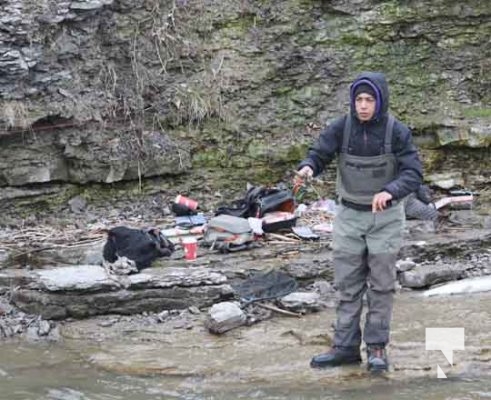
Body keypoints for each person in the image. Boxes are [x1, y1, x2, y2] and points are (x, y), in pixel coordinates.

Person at [297, 71, 423, 372]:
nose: (363, 106)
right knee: (347, 285)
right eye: (359, 100)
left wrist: (390, 191)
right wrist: (308, 167)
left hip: (386, 219)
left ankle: (377, 349)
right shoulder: (341, 128)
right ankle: (345, 348)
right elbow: (319, 153)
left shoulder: (397, 132)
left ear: (380, 102)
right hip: (349, 217)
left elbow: (413, 173)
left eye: (369, 100)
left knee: (381, 285)